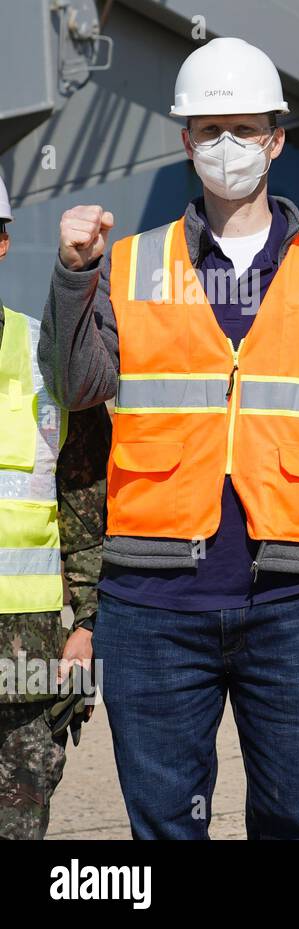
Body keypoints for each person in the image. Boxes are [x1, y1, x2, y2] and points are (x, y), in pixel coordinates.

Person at [41, 37, 299, 839]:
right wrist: (72, 276)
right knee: (165, 826)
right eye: (210, 130)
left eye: (245, 129)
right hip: (154, 601)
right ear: (186, 141)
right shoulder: (128, 265)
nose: (227, 146)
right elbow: (76, 389)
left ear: (277, 138)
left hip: (298, 601)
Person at [0, 172, 108, 839]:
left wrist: (91, 623)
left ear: (3, 244)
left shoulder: (47, 362)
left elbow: (86, 498)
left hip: (30, 659)